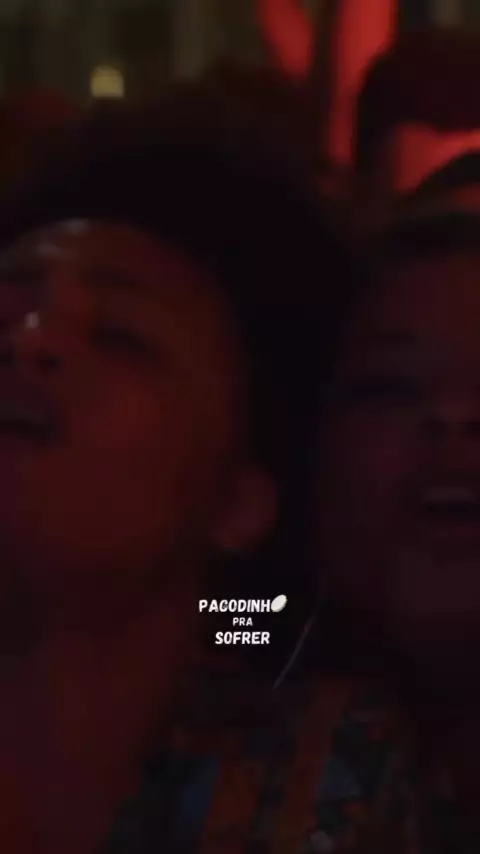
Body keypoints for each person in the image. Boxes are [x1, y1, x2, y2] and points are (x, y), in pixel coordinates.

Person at [0, 103, 348, 853]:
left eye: (119, 337)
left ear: (238, 503)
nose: (28, 342)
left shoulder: (325, 787)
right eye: (8, 308)